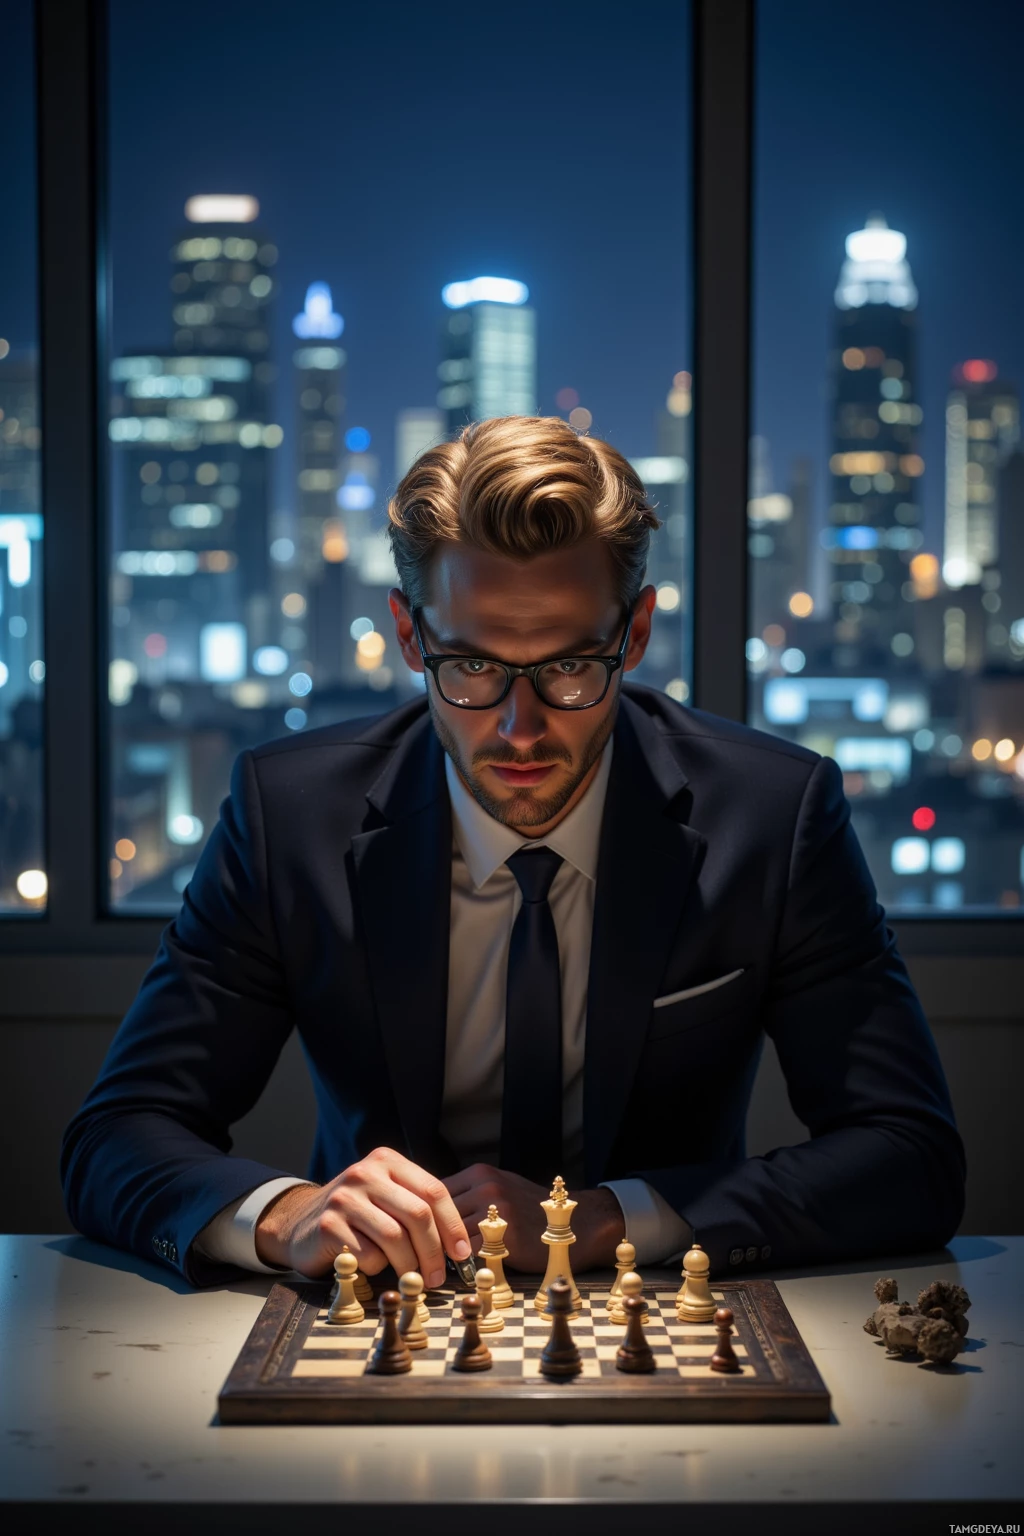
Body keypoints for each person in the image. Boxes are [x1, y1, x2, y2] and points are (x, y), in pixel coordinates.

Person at [61, 416, 965, 1289]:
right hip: (377, 1316)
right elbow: (118, 1134)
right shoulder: (290, 816)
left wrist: (607, 1220)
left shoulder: (773, 816)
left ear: (636, 634)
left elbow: (909, 1155)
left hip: (658, 1316)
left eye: (571, 667)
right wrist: (289, 1215)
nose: (520, 728)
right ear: (410, 635)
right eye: (473, 667)